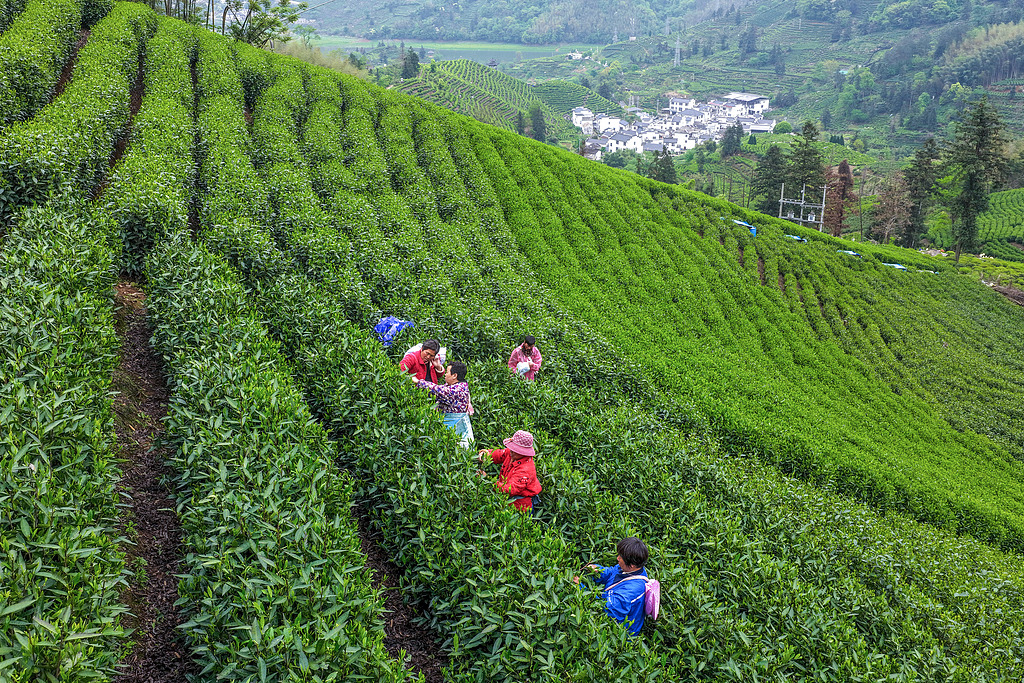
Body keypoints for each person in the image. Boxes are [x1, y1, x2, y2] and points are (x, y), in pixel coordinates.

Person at [573, 537, 649, 636]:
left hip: (617, 634)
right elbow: (612, 572)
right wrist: (598, 570)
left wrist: (580, 588)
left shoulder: (629, 593)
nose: (617, 558)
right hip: (608, 601)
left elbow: (602, 609)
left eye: (621, 557)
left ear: (632, 565)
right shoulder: (632, 569)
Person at [476, 430, 542, 512]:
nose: (511, 451)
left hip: (520, 507)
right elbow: (499, 454)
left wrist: (487, 480)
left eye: (515, 450)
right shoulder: (513, 454)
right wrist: (486, 454)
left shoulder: (526, 470)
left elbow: (509, 490)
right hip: (506, 500)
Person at [414, 361, 473, 448]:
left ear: (454, 375)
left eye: (447, 372)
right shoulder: (456, 386)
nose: (445, 375)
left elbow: (439, 390)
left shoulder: (458, 390)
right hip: (449, 429)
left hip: (455, 432)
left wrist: (418, 382)